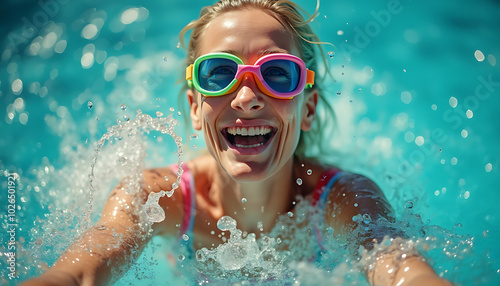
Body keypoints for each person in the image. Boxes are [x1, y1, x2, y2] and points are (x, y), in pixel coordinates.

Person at [22, 0, 453, 285]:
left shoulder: (343, 200)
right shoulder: (160, 197)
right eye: (219, 74)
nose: (246, 99)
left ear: (307, 109)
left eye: (278, 74)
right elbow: (85, 265)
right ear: (195, 107)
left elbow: (400, 268)